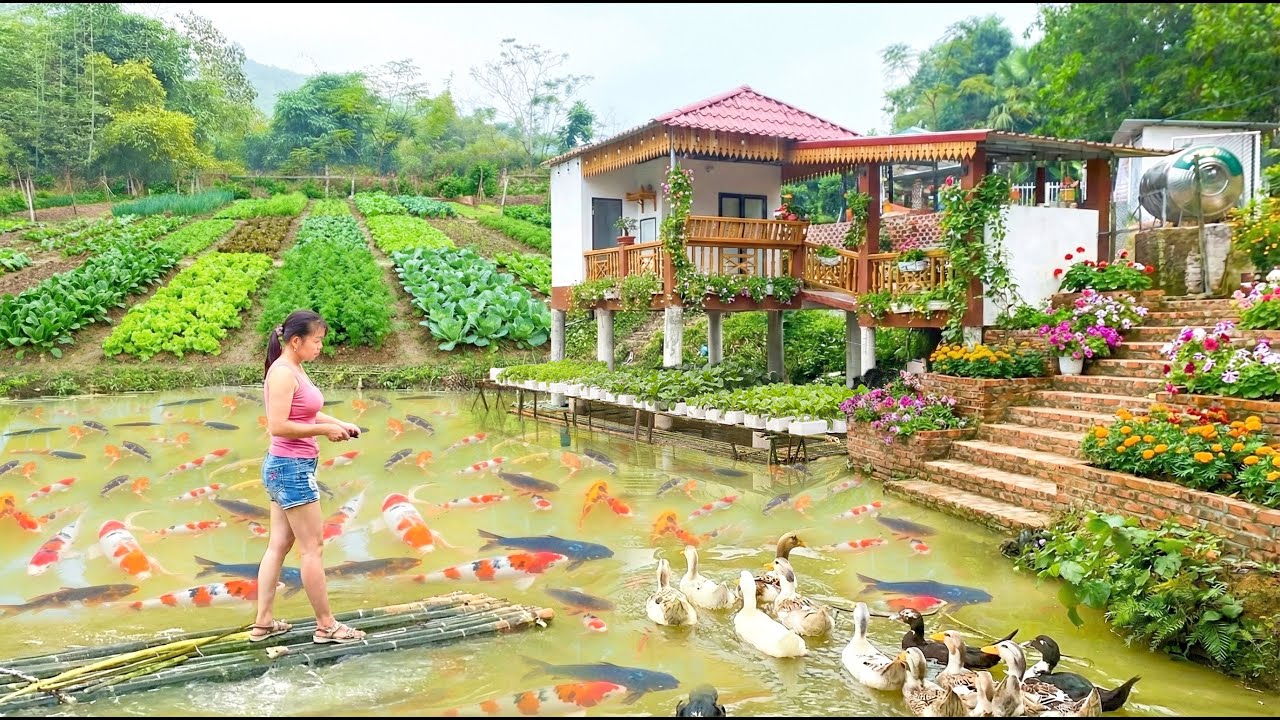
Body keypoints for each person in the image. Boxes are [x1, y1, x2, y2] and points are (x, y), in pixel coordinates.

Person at [250, 309, 367, 644]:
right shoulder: (283, 373)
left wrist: (337, 423)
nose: (320, 347)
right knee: (312, 547)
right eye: (316, 341)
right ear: (296, 340)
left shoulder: (293, 369)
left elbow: (306, 409)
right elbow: (278, 425)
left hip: (284, 467)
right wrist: (323, 430)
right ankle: (326, 625)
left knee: (279, 544)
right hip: (291, 469)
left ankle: (263, 622)